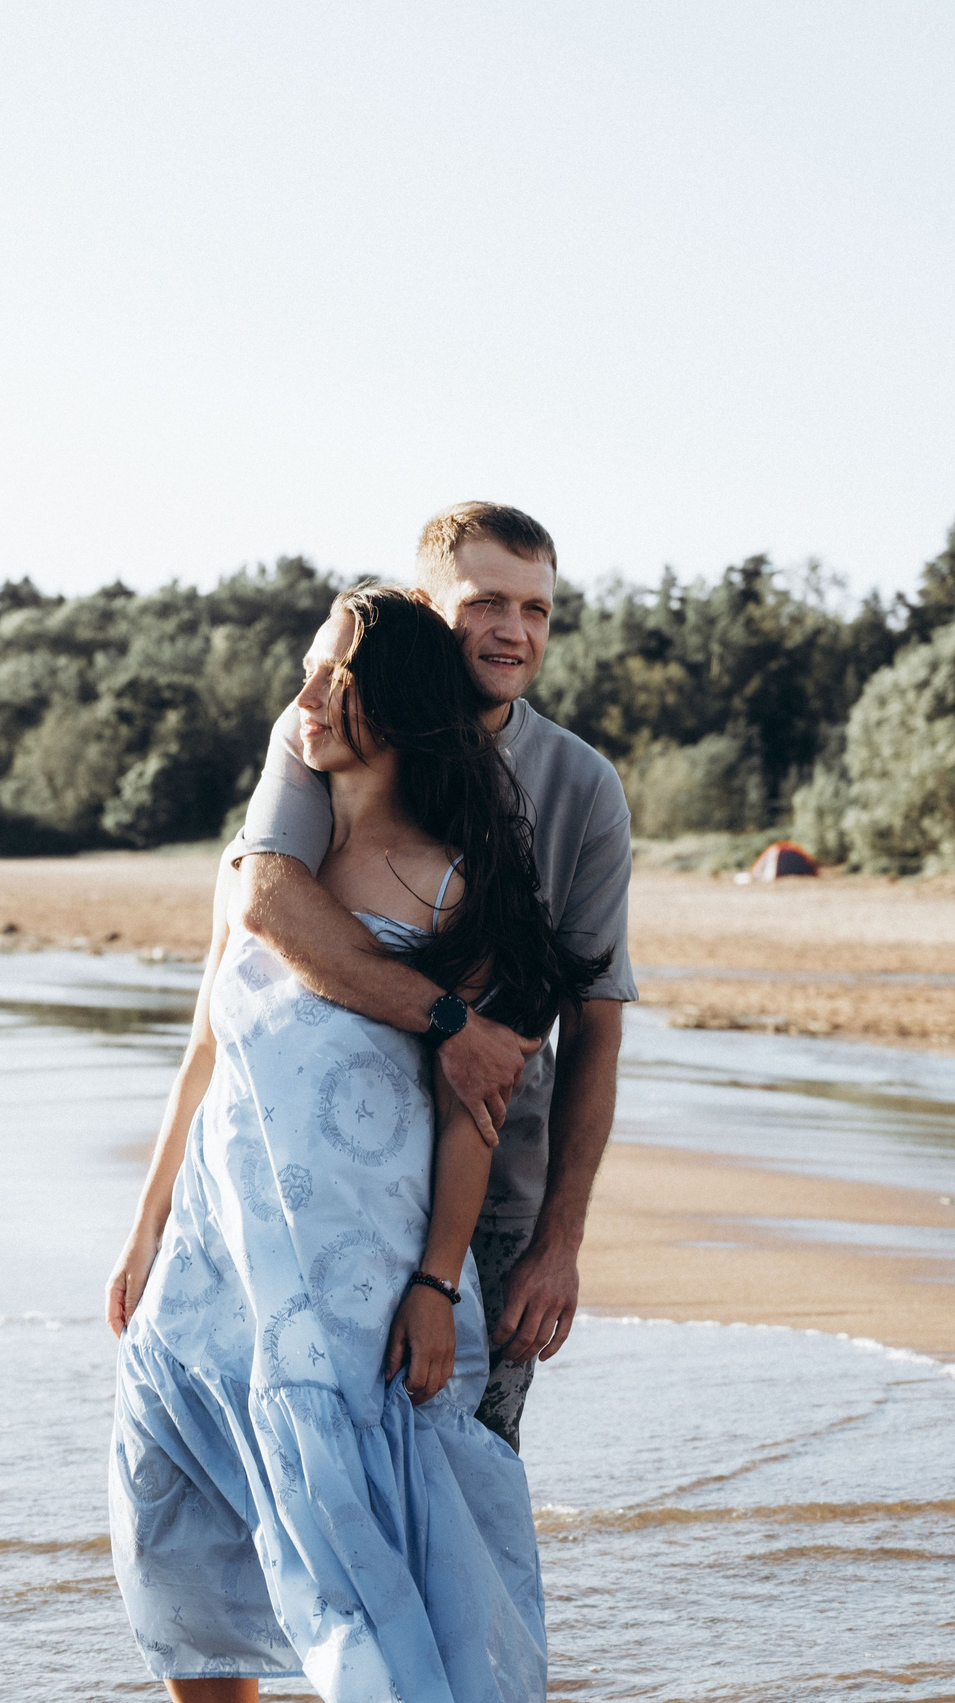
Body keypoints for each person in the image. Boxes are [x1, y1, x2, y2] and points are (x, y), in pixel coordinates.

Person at [105, 585, 607, 1702]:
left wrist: (437, 1278)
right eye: (309, 670)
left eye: (336, 676)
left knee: (356, 1587)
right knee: (181, 1568)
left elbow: (469, 1110)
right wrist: (141, 1232)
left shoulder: (454, 891)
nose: (307, 698)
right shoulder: (260, 875)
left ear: (401, 700)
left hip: (350, 1295)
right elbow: (203, 1049)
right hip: (207, 1274)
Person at [230, 502, 637, 1450]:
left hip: (494, 1188)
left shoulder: (582, 786)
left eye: (537, 609)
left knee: (471, 1463)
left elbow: (598, 1029)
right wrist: (453, 1022)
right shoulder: (323, 731)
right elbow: (269, 904)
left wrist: (558, 1243)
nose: (514, 630)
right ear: (423, 604)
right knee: (308, 1461)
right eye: (487, 601)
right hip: (322, 1181)